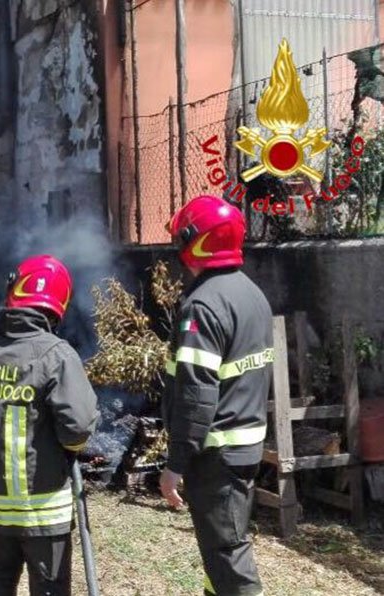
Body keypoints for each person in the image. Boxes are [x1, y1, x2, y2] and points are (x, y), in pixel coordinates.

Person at [0, 255, 99, 596]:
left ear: (13, 289)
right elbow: (78, 428)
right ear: (59, 304)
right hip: (42, 511)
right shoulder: (58, 355)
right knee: (50, 589)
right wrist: (68, 447)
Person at [160, 195, 273, 596]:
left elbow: (196, 395)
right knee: (220, 550)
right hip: (243, 445)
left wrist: (175, 464)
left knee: (227, 554)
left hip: (216, 454)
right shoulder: (251, 294)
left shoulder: (202, 306)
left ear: (195, 241)